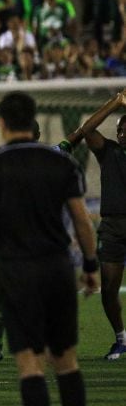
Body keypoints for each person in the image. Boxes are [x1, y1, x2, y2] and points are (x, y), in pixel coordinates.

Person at [0, 91, 99, 406]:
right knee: (66, 362)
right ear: (35, 122)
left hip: (17, 273)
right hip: (58, 269)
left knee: (30, 364)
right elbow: (82, 221)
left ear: (1, 124)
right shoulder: (64, 162)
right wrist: (90, 265)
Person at [80, 92, 126, 360]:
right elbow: (86, 129)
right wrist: (115, 103)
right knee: (108, 289)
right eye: (119, 130)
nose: (121, 134)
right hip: (112, 227)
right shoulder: (109, 151)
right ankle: (121, 339)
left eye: (125, 130)